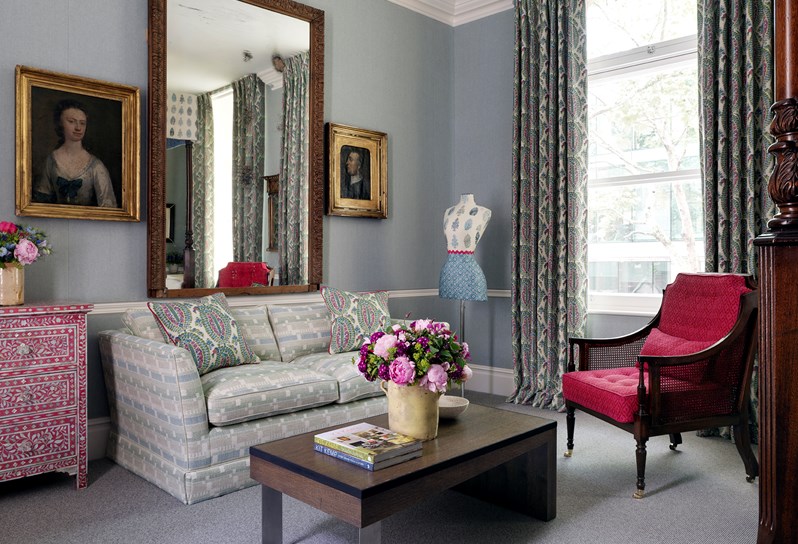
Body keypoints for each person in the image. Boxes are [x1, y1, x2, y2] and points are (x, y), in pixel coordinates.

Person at [32, 99, 117, 207]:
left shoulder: (96, 166)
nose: (78, 128)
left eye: (82, 123)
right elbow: (41, 203)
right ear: (60, 123)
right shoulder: (51, 160)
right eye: (71, 121)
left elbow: (108, 206)